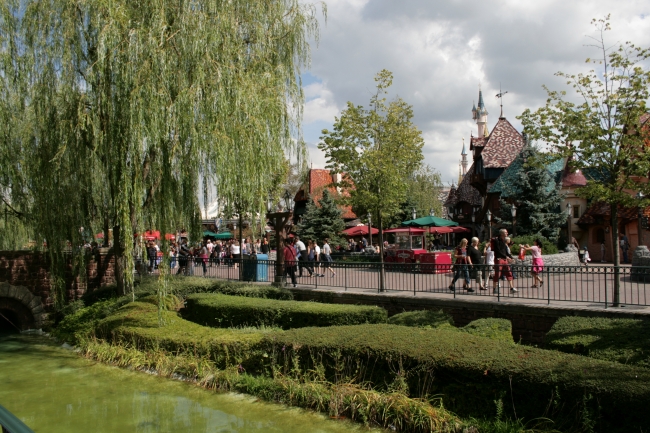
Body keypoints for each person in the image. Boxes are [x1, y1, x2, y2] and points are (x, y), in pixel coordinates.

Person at [491, 229, 516, 293]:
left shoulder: (503, 241)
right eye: (506, 232)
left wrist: (511, 257)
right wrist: (506, 257)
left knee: (509, 273)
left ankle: (512, 288)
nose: (507, 233)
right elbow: (497, 250)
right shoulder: (497, 240)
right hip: (499, 259)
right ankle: (495, 288)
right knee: (497, 274)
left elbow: (506, 251)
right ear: (501, 233)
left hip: (504, 260)